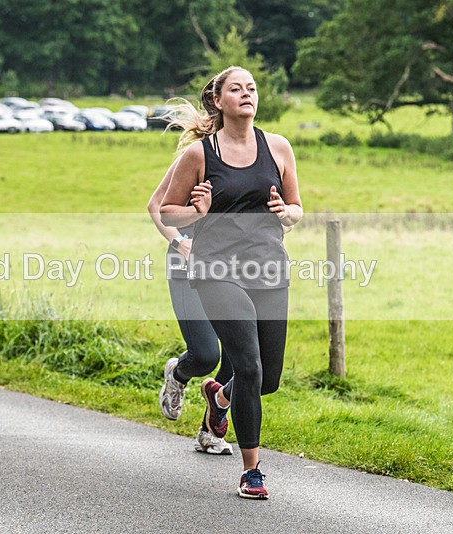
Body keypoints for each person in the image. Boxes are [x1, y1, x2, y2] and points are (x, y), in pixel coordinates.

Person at [160, 66, 302, 499]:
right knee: (248, 365)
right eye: (236, 88)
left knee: (267, 379)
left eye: (252, 87)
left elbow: (297, 209)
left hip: (268, 268)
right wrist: (196, 215)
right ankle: (251, 470)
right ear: (218, 101)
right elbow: (167, 212)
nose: (247, 93)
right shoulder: (200, 155)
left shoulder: (278, 147)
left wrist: (285, 215)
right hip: (216, 270)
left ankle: (220, 398)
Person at [148, 155, 234, 455]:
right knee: (207, 354)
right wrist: (179, 243)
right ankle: (178, 374)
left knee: (238, 352)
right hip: (187, 264)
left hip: (231, 266)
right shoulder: (196, 155)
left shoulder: (255, 155)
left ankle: (211, 431)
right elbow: (155, 206)